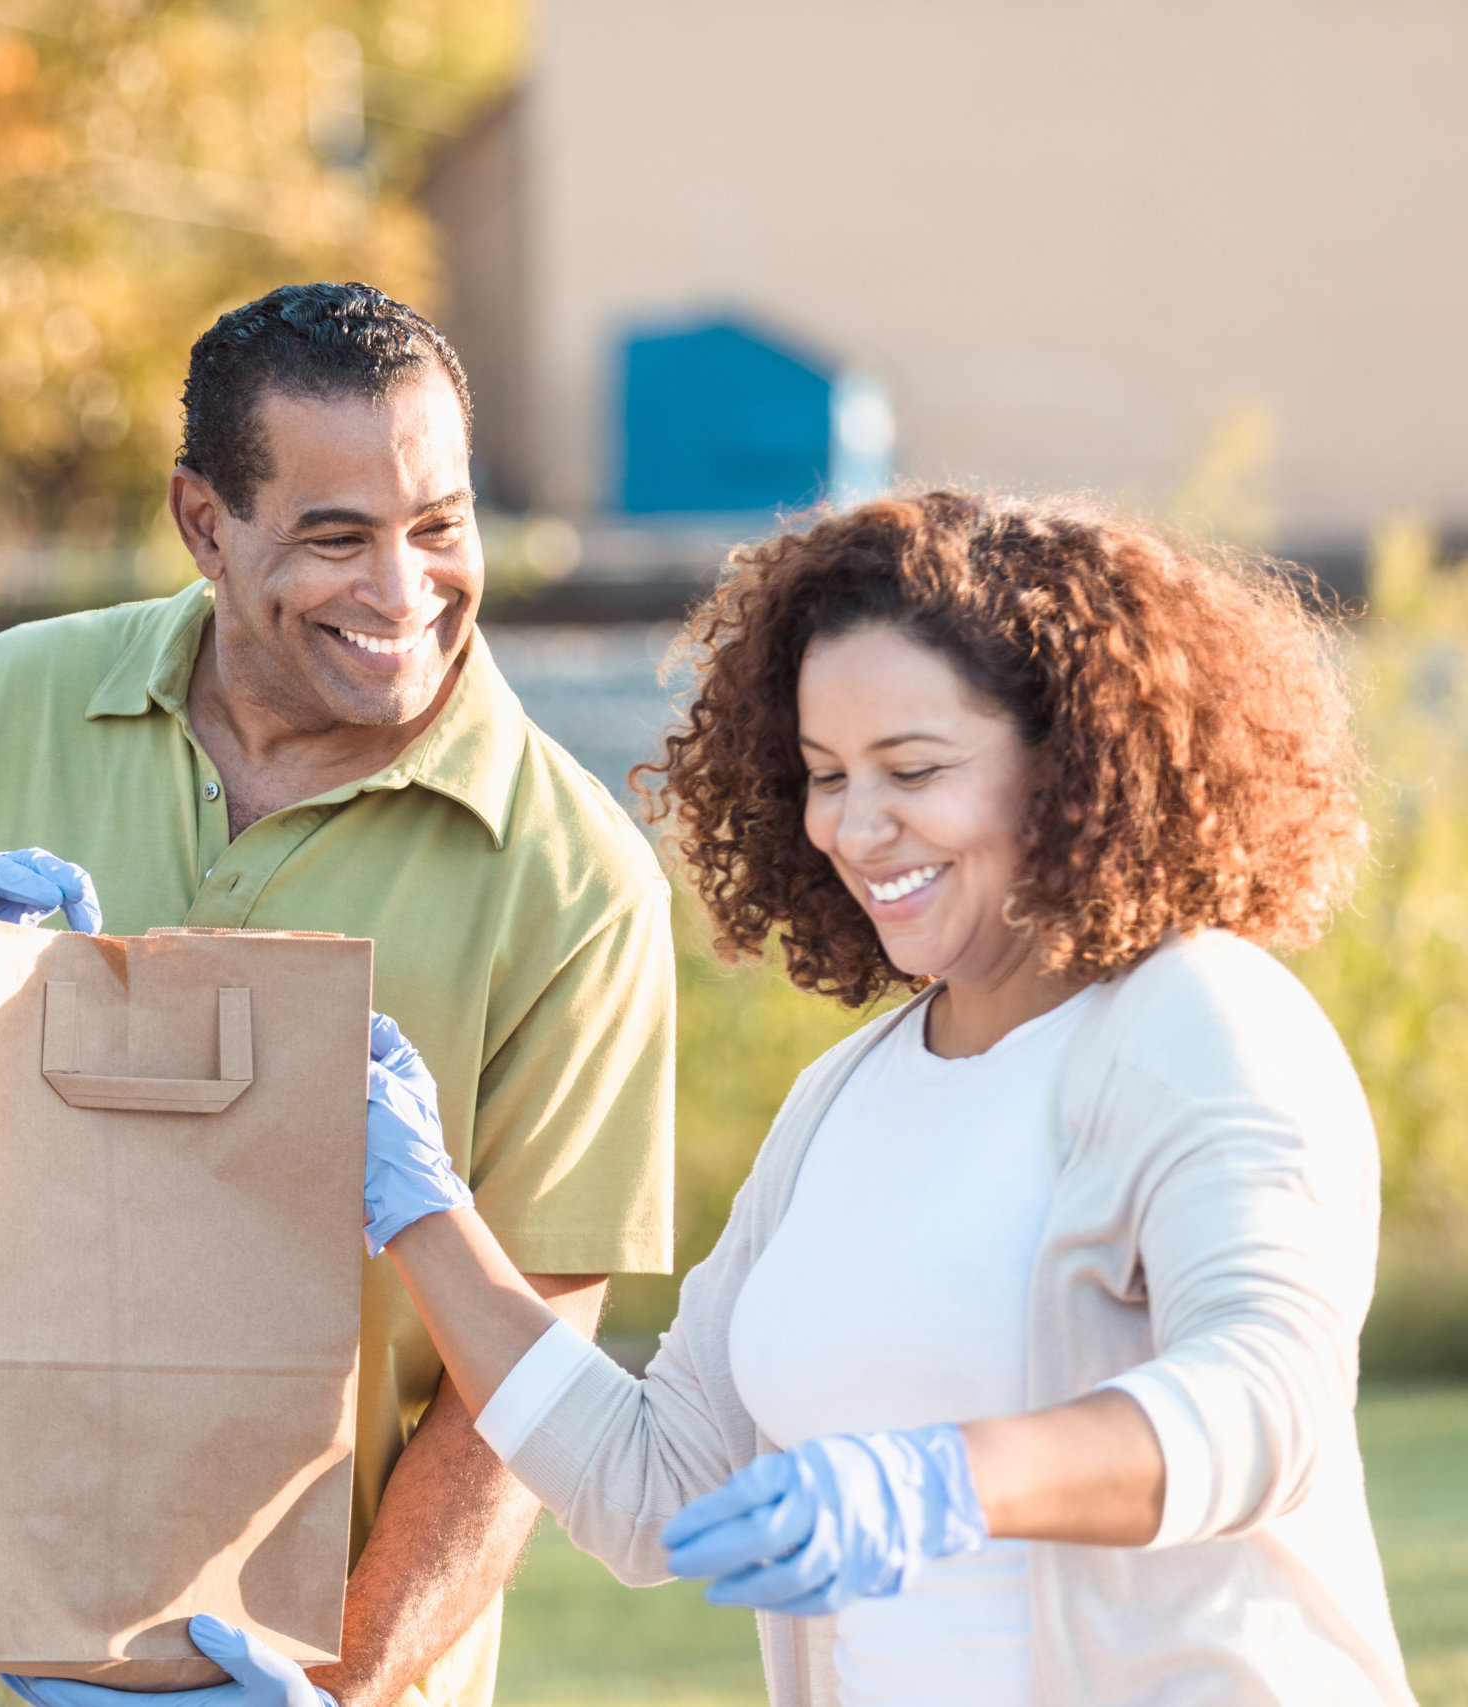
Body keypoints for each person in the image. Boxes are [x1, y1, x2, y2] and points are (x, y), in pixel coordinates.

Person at [0, 282, 677, 1707]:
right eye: (336, 536)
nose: (404, 593)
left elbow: (521, 1394)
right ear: (205, 522)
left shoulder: (574, 881)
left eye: (440, 525)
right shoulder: (8, 707)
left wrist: (334, 1690)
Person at [353, 492, 1415, 1705]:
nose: (856, 828)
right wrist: (421, 1206)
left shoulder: (1197, 1020)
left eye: (912, 768)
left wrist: (942, 1483)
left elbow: (1263, 1402)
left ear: (1070, 763)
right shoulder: (841, 1100)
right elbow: (654, 1492)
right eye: (822, 775)